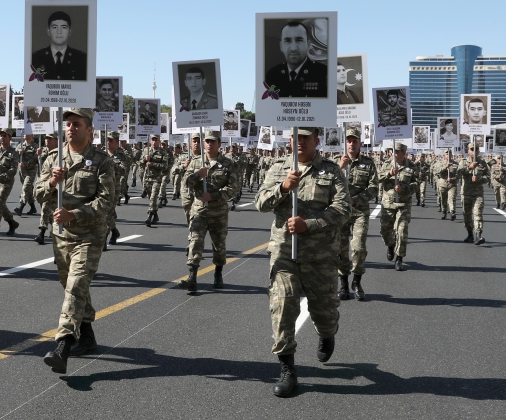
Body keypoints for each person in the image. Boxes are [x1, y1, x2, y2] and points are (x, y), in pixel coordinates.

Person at [255, 127, 350, 398]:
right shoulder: (278, 168)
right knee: (282, 308)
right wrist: (283, 187)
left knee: (325, 313)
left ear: (317, 140)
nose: (301, 141)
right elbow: (260, 203)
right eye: (297, 137)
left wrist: (309, 224)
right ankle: (288, 370)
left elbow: (343, 210)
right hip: (284, 253)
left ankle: (327, 332)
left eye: (307, 137)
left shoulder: (331, 171)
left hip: (320, 257)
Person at [36, 107, 115, 373]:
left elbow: (106, 200)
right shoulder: (53, 159)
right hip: (61, 235)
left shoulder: (102, 161)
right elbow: (37, 193)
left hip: (89, 234)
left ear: (89, 129)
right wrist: (50, 184)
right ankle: (89, 335)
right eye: (68, 124)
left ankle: (63, 345)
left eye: (77, 124)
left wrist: (75, 214)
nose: (71, 128)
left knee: (76, 284)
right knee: (73, 286)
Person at [180, 130, 241, 293]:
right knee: (195, 241)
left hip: (218, 212)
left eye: (212, 141)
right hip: (199, 209)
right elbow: (185, 182)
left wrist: (214, 196)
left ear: (219, 144)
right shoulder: (196, 161)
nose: (209, 144)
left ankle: (218, 273)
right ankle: (192, 277)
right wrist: (198, 175)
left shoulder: (227, 163)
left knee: (219, 245)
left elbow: (233, 188)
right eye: (206, 141)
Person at [336, 126, 377, 301]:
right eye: (349, 141)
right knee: (341, 249)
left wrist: (356, 199)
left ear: (360, 143)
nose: (351, 144)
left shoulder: (368, 163)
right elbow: (328, 186)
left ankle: (357, 282)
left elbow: (374, 188)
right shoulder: (336, 162)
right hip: (340, 211)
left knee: (359, 247)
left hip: (360, 210)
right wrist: (340, 168)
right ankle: (344, 284)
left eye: (355, 141)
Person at [263, 21, 328, 98]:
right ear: (281, 46)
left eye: (299, 40)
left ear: (308, 45)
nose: (293, 48)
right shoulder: (273, 75)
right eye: (287, 41)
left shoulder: (323, 73)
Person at [379, 143, 417, 270]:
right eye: (392, 151)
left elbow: (416, 184)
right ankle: (390, 245)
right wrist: (389, 174)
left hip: (404, 203)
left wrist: (404, 188)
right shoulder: (386, 164)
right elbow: (377, 179)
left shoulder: (411, 166)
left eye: (396, 151)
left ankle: (399, 257)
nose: (393, 154)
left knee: (401, 230)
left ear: (403, 153)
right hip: (388, 203)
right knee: (385, 231)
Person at [29, 10, 88, 80]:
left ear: (70, 31)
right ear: (48, 31)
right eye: (54, 27)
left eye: (64, 27)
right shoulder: (35, 58)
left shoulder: (82, 59)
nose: (59, 31)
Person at [457, 145, 490, 245]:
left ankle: (478, 235)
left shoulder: (482, 162)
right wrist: (469, 168)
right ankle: (470, 234)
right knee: (467, 216)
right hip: (466, 193)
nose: (474, 151)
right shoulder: (463, 161)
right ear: (468, 151)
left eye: (476, 149)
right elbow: (458, 174)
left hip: (477, 193)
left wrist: (479, 180)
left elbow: (488, 176)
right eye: (472, 149)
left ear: (478, 151)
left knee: (478, 214)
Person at [140, 134, 171, 227]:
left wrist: (152, 164)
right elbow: (140, 163)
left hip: (157, 178)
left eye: (156, 140)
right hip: (147, 178)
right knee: (150, 199)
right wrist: (144, 160)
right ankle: (155, 214)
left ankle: (149, 216)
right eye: (152, 140)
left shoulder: (163, 152)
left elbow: (165, 166)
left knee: (153, 198)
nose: (154, 142)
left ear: (159, 141)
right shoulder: (146, 150)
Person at [35, 133, 59, 243]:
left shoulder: (60, 153)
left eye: (50, 138)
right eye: (46, 138)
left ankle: (42, 232)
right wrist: (37, 156)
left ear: (56, 141)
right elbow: (31, 164)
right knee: (47, 209)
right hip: (44, 185)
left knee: (46, 207)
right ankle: (54, 228)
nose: (47, 140)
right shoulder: (42, 151)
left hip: (56, 187)